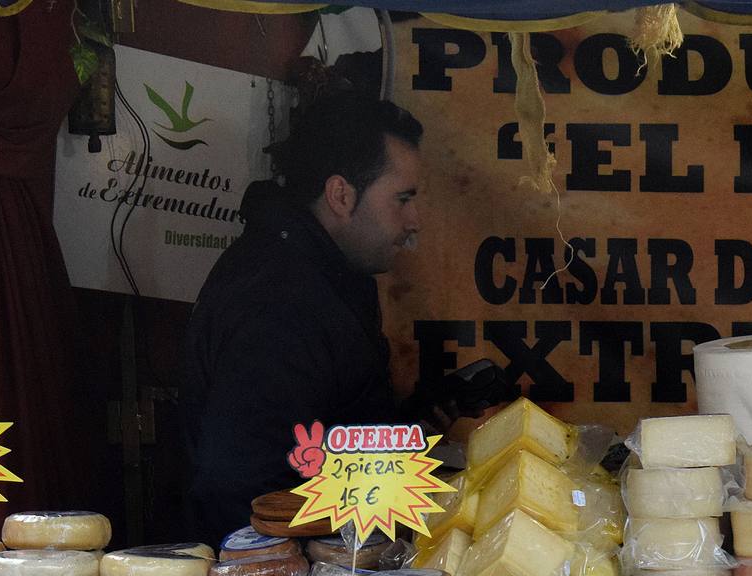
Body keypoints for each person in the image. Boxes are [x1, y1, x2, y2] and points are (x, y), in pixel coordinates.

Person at [181, 92, 508, 545]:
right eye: (403, 198)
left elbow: (323, 432)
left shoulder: (331, 273)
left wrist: (411, 424)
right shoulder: (278, 302)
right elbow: (245, 488)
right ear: (341, 195)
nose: (414, 220)